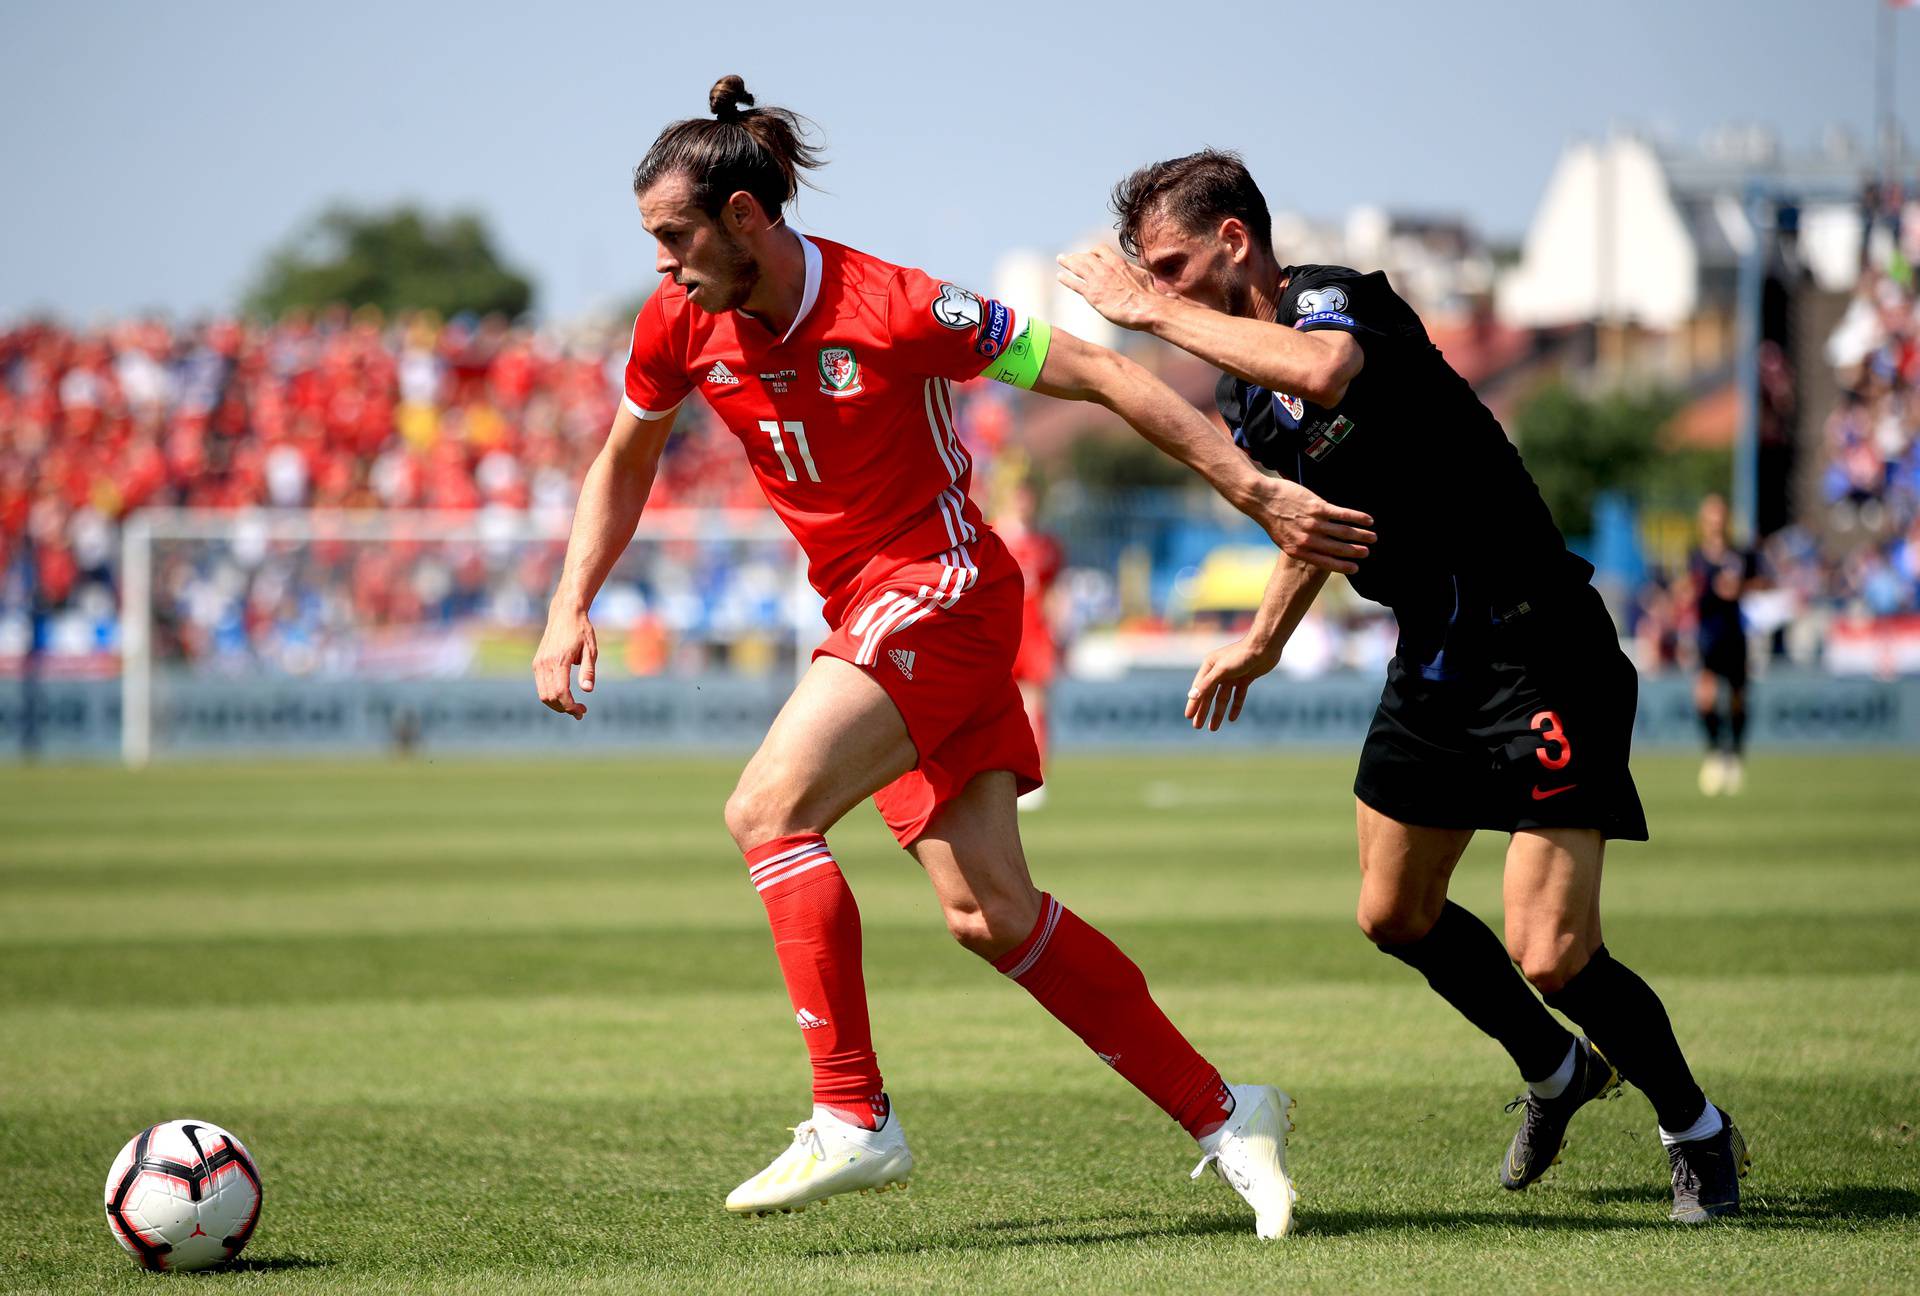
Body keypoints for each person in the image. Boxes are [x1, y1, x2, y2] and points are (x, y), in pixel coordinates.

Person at [534, 81, 1376, 1238]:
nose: (664, 266)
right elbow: (625, 460)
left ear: (743, 217)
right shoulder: (674, 321)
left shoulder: (897, 304)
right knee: (991, 913)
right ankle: (1230, 1114)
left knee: (768, 810)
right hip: (877, 611)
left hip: (943, 588)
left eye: (676, 239)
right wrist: (568, 601)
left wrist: (1254, 486)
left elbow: (1102, 372)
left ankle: (850, 1114)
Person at [1060, 149, 1750, 1223]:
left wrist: (1145, 312)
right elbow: (1314, 520)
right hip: (1434, 656)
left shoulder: (1337, 303)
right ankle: (1558, 1073)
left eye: (1175, 264)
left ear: (1235, 240)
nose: (1163, 286)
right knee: (1392, 912)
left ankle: (1696, 1128)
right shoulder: (1247, 386)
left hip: (1541, 650)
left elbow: (1326, 373)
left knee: (1553, 953)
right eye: (1153, 272)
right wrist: (1260, 641)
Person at [995, 479, 1065, 810]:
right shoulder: (994, 536)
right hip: (1003, 631)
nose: (1025, 504)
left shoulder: (1046, 544)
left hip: (1034, 632)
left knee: (1036, 704)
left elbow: (1052, 591)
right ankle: (1000, 775)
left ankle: (1035, 776)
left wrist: (1059, 632)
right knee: (1000, 706)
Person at [1687, 494, 1760, 795]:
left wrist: (1739, 588)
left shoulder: (1741, 553)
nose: (1716, 521)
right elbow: (1690, 587)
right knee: (1704, 696)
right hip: (1708, 634)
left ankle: (1736, 755)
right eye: (1711, 515)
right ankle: (1715, 752)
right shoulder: (1696, 555)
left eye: (1720, 515)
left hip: (1735, 634)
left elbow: (1761, 582)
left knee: (1737, 697)